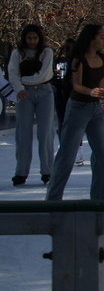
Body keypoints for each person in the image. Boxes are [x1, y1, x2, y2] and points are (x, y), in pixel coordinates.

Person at [45, 24, 104, 201]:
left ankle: (102, 197)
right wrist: (91, 92)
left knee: (102, 154)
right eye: (101, 36)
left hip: (95, 109)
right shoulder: (78, 59)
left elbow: (100, 81)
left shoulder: (101, 56)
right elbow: (76, 85)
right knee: (67, 154)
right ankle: (53, 198)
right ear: (91, 39)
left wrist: (102, 100)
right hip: (78, 108)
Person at [8, 24, 55, 186]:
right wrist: (19, 88)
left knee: (45, 133)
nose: (32, 41)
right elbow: (12, 73)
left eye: (35, 38)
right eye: (29, 38)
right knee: (23, 133)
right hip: (24, 94)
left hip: (44, 92)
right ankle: (21, 172)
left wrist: (23, 80)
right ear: (24, 38)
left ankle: (47, 171)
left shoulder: (46, 52)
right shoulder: (17, 53)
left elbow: (44, 75)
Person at [52, 37, 74, 139]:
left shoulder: (77, 61)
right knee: (61, 121)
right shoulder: (57, 61)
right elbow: (52, 78)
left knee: (73, 123)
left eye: (68, 48)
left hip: (73, 95)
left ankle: (77, 149)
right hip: (59, 95)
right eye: (63, 48)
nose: (65, 50)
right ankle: (62, 145)